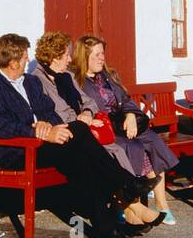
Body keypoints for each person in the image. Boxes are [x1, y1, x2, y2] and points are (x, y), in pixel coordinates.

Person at [0, 33, 146, 238]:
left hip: (45, 144)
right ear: (12, 63)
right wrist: (35, 131)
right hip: (18, 152)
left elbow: (48, 110)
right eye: (25, 57)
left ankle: (106, 226)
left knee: (84, 154)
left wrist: (56, 129)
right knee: (82, 138)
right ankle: (126, 183)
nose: (28, 60)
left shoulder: (29, 82)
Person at [26, 31, 163, 231]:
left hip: (82, 130)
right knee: (109, 150)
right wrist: (84, 123)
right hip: (65, 136)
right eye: (66, 55)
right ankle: (130, 206)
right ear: (54, 57)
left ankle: (128, 209)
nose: (70, 59)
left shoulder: (66, 76)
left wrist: (88, 114)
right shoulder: (37, 80)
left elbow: (88, 101)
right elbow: (53, 114)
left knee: (116, 146)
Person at [72, 34, 180, 225]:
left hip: (123, 124)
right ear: (84, 56)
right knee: (133, 146)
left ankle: (163, 205)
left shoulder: (108, 75)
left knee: (153, 141)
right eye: (96, 54)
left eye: (102, 53)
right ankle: (128, 205)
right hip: (103, 130)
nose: (101, 58)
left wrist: (131, 115)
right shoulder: (76, 80)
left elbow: (126, 100)